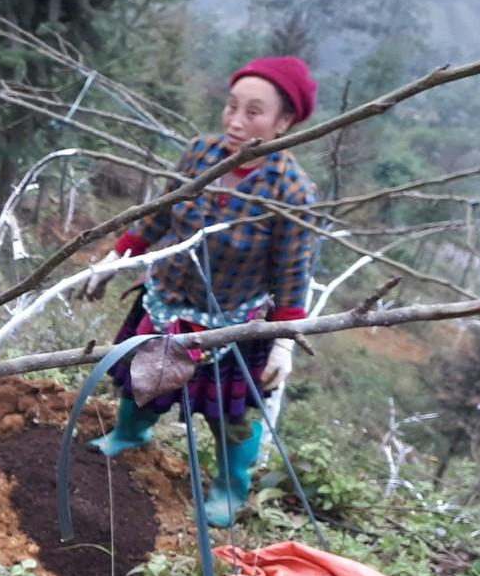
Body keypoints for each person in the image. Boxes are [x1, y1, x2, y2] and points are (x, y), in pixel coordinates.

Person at [87, 56, 323, 525]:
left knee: (230, 415)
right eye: (231, 106)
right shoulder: (200, 154)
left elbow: (293, 272)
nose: (236, 122)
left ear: (284, 122)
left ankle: (230, 488)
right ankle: (130, 435)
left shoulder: (292, 192)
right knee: (145, 381)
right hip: (169, 300)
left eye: (254, 112)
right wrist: (119, 256)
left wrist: (282, 342)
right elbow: (161, 214)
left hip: (235, 321)